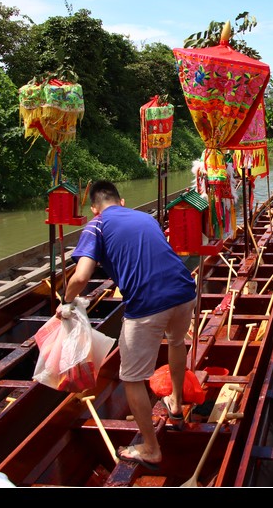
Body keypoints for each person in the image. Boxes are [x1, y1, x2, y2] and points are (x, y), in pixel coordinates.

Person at [62, 180, 196, 469]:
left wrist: (66, 301)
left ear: (94, 208)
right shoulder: (145, 218)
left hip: (147, 304)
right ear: (121, 201)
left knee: (132, 379)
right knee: (176, 342)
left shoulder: (96, 226)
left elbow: (81, 277)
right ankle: (175, 403)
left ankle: (150, 448)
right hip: (185, 291)